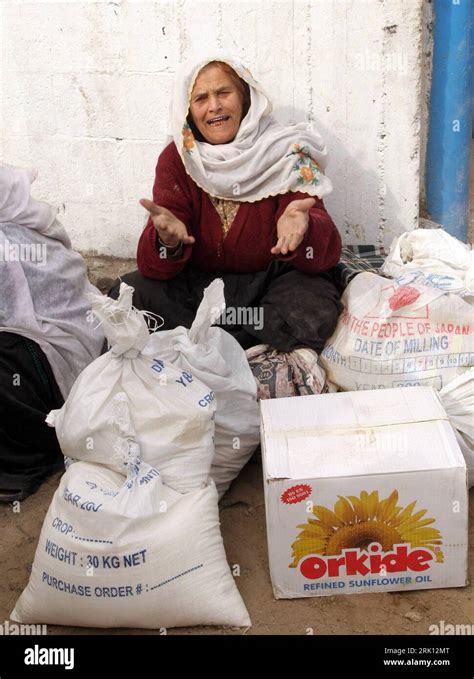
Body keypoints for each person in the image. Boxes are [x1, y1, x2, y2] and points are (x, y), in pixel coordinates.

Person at [109, 54, 342, 352]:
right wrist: (168, 242)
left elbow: (325, 254)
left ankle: (207, 345)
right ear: (189, 111)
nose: (214, 106)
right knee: (129, 295)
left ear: (245, 99)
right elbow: (152, 267)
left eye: (223, 93)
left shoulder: (287, 151)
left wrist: (304, 228)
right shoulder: (179, 158)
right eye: (201, 98)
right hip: (198, 291)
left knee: (312, 307)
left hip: (265, 288)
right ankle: (244, 344)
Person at [0, 163, 104, 501]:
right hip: (70, 349)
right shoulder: (35, 217)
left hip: (49, 360)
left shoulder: (13, 237)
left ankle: (26, 463)